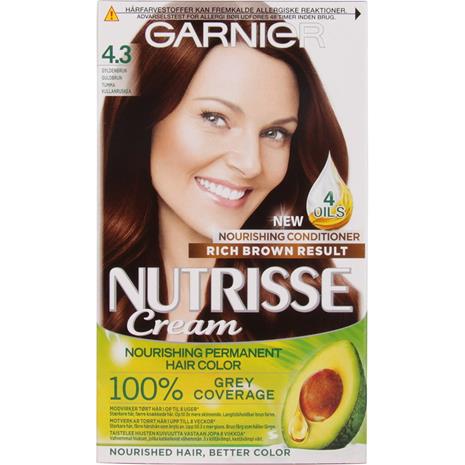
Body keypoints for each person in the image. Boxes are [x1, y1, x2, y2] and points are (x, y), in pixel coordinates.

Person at [102, 18, 359, 342]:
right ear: (144, 119)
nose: (251, 164)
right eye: (215, 118)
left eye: (275, 133)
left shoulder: (320, 314)